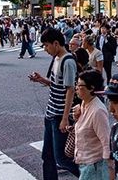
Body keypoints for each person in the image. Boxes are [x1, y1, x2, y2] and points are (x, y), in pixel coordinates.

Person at [29, 28, 79, 179]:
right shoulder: (56, 58)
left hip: (59, 115)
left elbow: (70, 90)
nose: (45, 49)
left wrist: (65, 119)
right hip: (50, 113)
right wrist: (41, 80)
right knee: (47, 155)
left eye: (46, 45)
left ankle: (89, 176)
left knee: (62, 158)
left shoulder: (67, 60)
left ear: (56, 43)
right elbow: (57, 85)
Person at [73, 70, 110, 180]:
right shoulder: (85, 103)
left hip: (95, 166)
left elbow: (106, 141)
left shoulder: (98, 111)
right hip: (85, 162)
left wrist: (109, 168)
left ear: (91, 88)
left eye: (80, 85)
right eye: (76, 84)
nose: (76, 88)